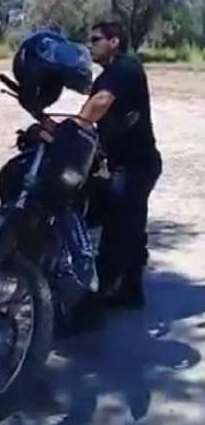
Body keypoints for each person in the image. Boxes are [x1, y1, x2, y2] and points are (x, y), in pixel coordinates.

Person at [75, 21, 161, 308]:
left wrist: (74, 127)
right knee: (128, 222)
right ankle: (131, 289)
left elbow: (99, 103)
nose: (91, 44)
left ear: (114, 41)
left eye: (96, 39)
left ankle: (105, 294)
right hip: (124, 163)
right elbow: (92, 115)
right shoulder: (106, 76)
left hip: (137, 164)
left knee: (119, 223)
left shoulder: (126, 68)